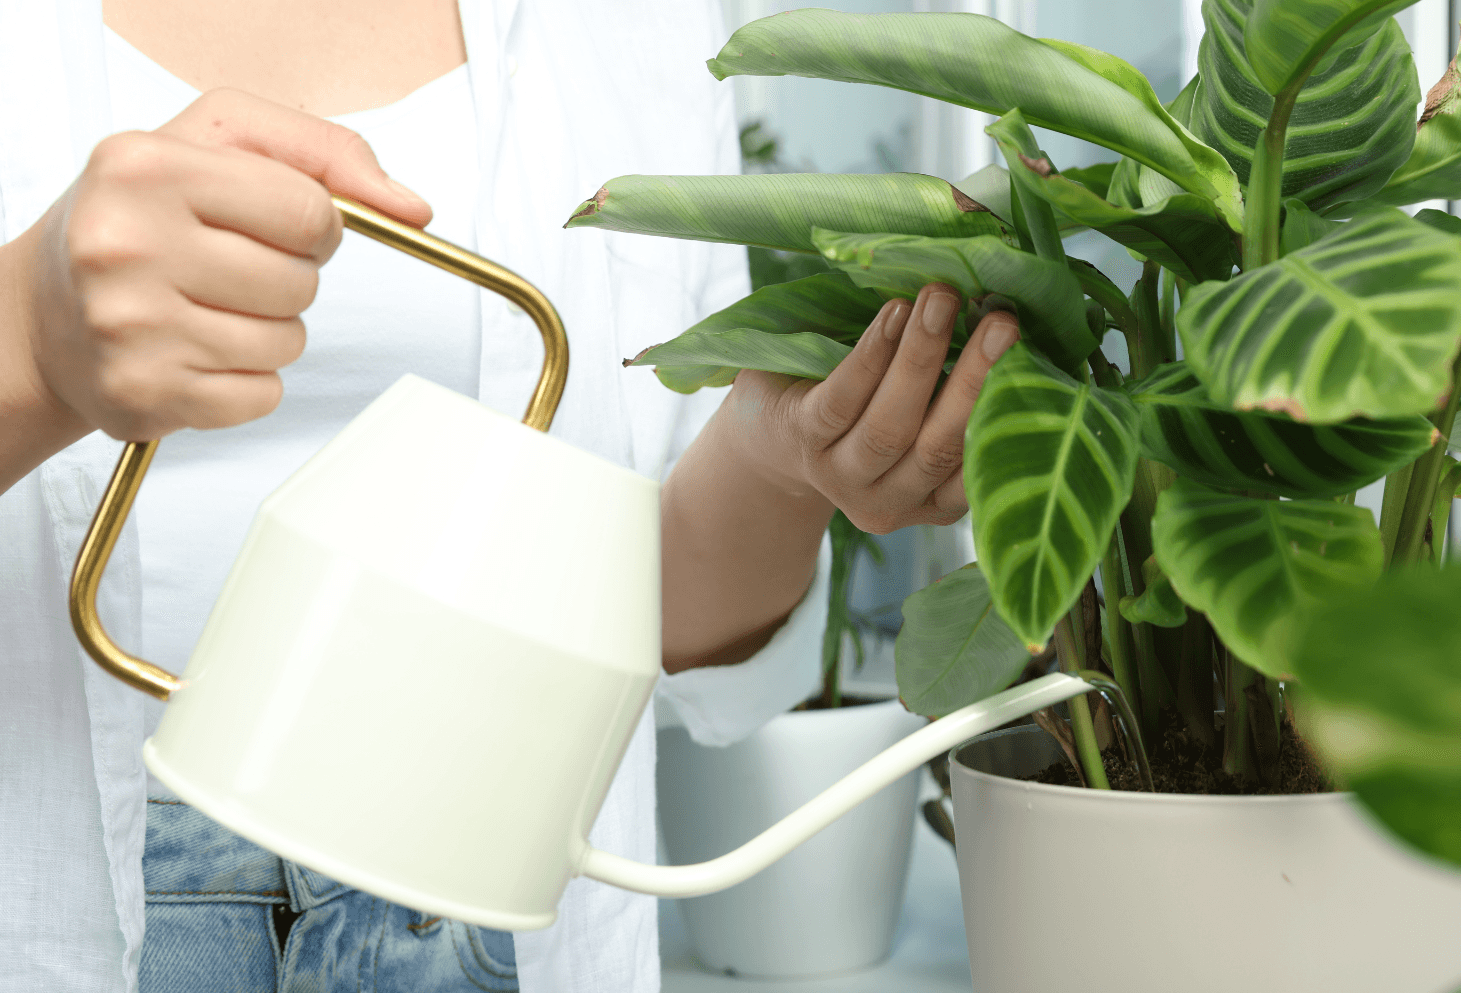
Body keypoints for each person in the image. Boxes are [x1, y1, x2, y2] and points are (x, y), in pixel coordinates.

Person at [0, 1, 1019, 991]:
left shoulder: (635, 22)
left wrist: (775, 467)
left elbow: (635, 607)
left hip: (477, 900)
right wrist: (30, 350)